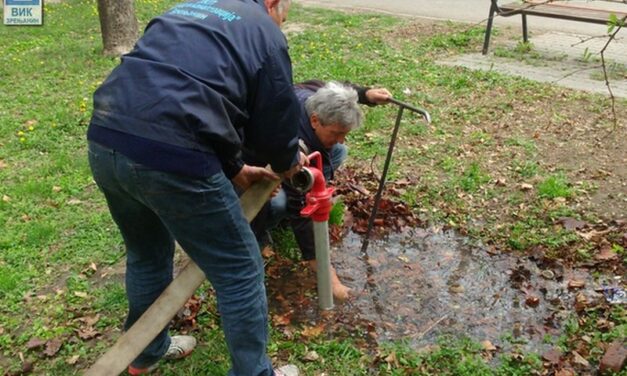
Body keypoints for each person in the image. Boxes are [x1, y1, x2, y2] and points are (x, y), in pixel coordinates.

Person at [86, 0, 305, 375]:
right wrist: (288, 162)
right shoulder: (265, 31)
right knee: (239, 267)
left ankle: (146, 353)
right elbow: (275, 123)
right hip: (173, 157)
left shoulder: (187, 8)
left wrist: (234, 168)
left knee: (146, 253)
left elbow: (184, 88)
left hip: (106, 137)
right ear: (272, 3)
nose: (281, 22)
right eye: (284, 14)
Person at [249, 80, 391, 301]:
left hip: (290, 151)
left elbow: (334, 87)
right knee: (278, 202)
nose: (341, 138)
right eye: (336, 132)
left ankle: (314, 186)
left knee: (338, 151)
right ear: (315, 120)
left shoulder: (314, 96)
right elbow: (301, 209)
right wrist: (331, 281)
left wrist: (366, 94)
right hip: (249, 171)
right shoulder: (292, 143)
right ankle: (257, 234)